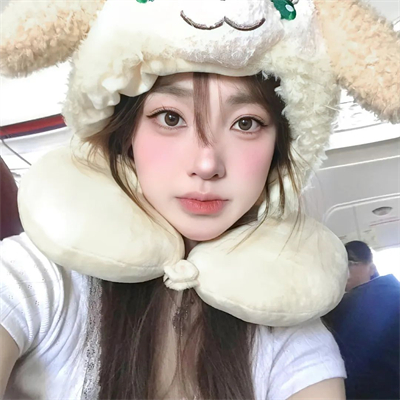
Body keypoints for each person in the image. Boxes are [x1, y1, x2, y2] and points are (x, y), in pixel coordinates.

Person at [0, 0, 399, 399]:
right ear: (126, 136)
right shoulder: (37, 277)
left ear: (279, 152)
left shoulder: (289, 331)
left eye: (246, 123)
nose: (207, 164)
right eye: (170, 118)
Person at [324, 241, 400, 399]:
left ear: (371, 268)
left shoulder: (346, 306)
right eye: (339, 266)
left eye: (350, 263)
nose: (343, 272)